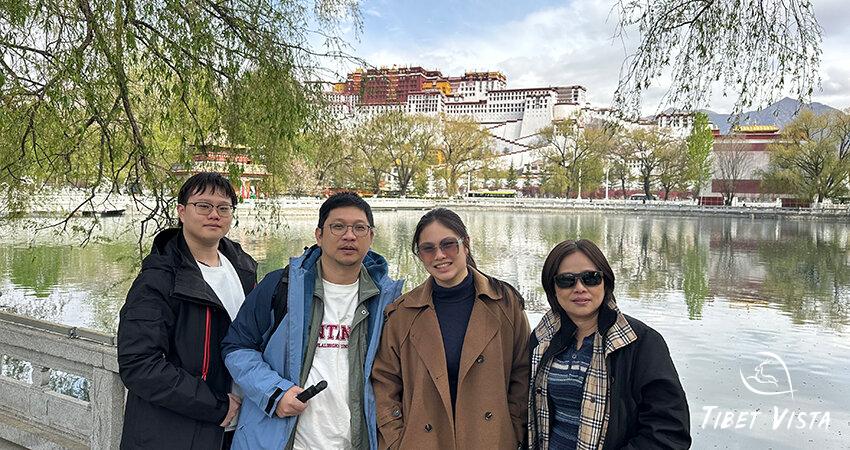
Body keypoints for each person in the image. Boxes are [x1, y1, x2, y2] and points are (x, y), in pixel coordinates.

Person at [222, 191, 404, 450]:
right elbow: (237, 348)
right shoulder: (280, 287)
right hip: (285, 441)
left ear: (371, 237)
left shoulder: (388, 301)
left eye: (359, 228)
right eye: (338, 226)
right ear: (319, 235)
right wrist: (274, 393)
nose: (349, 235)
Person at [117, 172, 258, 449]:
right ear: (182, 212)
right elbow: (139, 364)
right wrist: (215, 405)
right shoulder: (159, 279)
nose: (214, 214)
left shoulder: (242, 267)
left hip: (236, 429)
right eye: (203, 206)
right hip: (175, 432)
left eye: (223, 207)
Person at [372, 208, 531, 449]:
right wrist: (396, 440)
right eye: (428, 248)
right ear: (419, 255)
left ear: (466, 245)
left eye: (448, 245)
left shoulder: (505, 304)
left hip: (492, 440)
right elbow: (385, 382)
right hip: (422, 442)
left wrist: (513, 428)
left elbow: (523, 371)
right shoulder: (402, 314)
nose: (439, 255)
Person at [528, 239, 690, 449]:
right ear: (553, 288)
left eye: (591, 278)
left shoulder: (640, 342)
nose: (580, 288)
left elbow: (669, 432)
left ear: (606, 282)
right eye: (566, 280)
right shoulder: (543, 338)